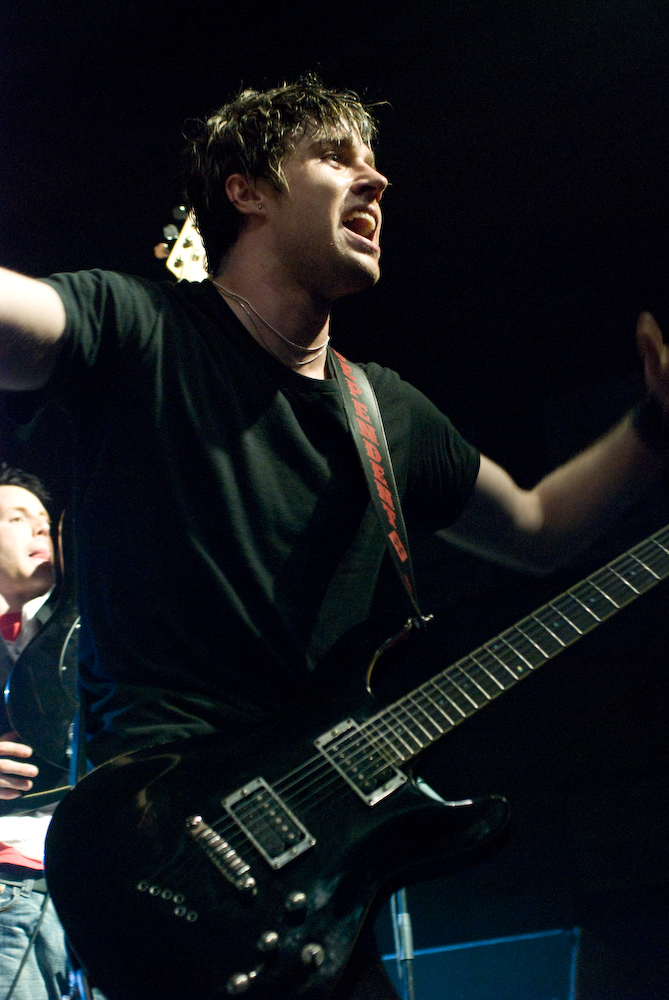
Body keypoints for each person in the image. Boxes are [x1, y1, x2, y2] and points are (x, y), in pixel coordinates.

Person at [0, 76, 667, 999]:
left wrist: (653, 424)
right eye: (335, 156)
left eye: (375, 163)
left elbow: (539, 529)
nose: (377, 181)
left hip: (313, 889)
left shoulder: (383, 411)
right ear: (246, 190)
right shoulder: (141, 330)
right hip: (160, 851)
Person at [0, 465, 70, 1000]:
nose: (40, 528)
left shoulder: (82, 635)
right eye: (17, 518)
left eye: (45, 520)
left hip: (88, 884)